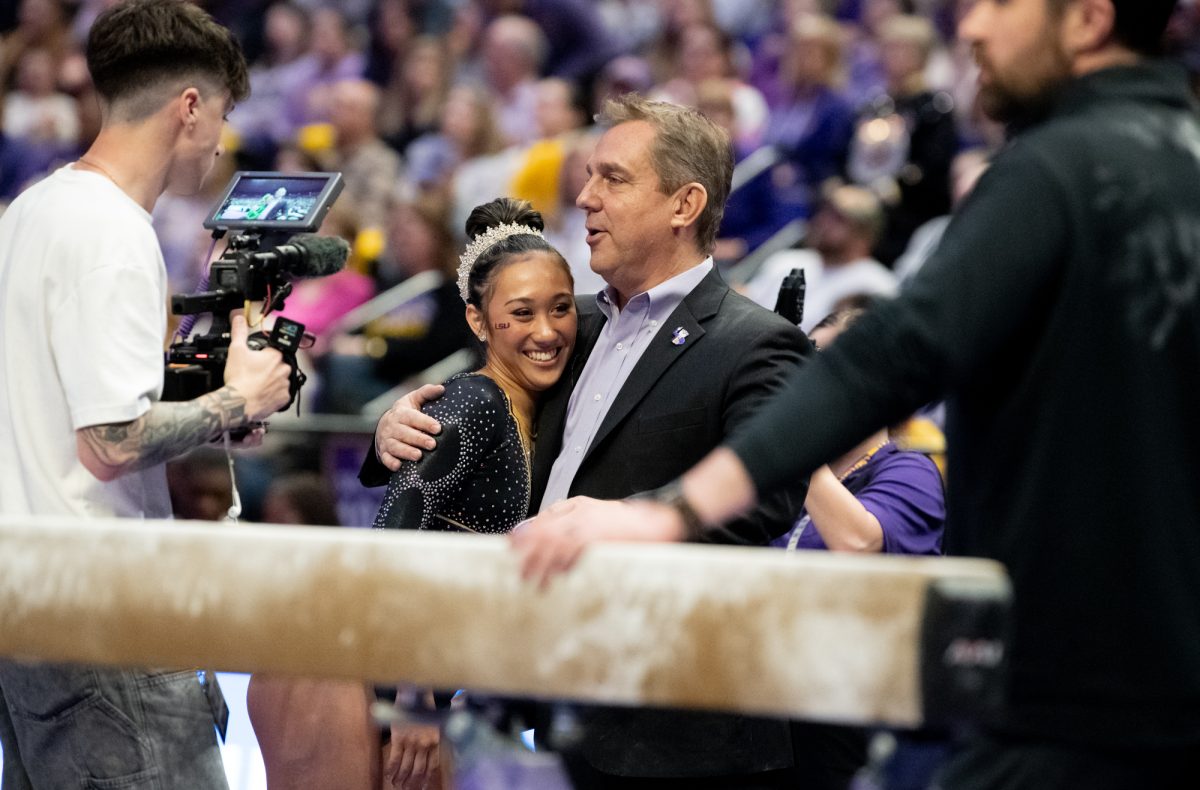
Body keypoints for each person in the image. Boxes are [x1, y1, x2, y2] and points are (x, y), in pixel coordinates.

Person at [512, 1, 1200, 787]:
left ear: (1089, 20)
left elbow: (888, 356)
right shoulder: (1180, 156)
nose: (971, 26)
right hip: (1160, 674)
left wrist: (672, 511)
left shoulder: (1061, 166)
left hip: (1071, 693)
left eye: (1003, 3)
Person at [370, 96, 861, 788]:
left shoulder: (757, 343)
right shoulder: (581, 333)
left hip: (683, 736)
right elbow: (490, 413)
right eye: (589, 176)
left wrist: (633, 519)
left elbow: (769, 495)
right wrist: (395, 429)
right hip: (561, 705)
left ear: (684, 205)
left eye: (613, 178)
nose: (585, 196)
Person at [0, 1, 294, 787]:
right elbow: (110, 443)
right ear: (190, 107)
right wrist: (239, 399)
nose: (224, 141)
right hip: (105, 616)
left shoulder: (31, 209)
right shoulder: (114, 233)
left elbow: (64, 414)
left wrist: (200, 418)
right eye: (224, 115)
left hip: (28, 601)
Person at [364, 197, 577, 789]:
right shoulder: (476, 402)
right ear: (478, 321)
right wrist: (410, 697)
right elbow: (392, 535)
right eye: (522, 312)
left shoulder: (538, 400)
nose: (546, 331)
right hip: (389, 677)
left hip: (450, 669)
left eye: (561, 309)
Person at [774, 307, 944, 556]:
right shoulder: (779, 479)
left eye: (828, 366)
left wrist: (794, 449)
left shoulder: (914, 473)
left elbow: (858, 543)